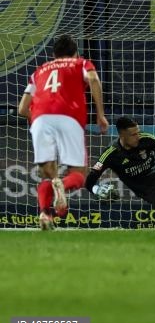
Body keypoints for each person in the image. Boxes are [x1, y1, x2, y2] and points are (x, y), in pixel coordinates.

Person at [17, 34, 109, 231]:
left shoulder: (39, 70)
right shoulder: (81, 63)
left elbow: (22, 109)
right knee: (78, 175)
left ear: (53, 54)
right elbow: (93, 78)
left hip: (40, 118)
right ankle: (62, 186)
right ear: (75, 53)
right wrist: (100, 114)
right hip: (69, 116)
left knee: (48, 177)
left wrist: (40, 118)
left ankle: (45, 213)